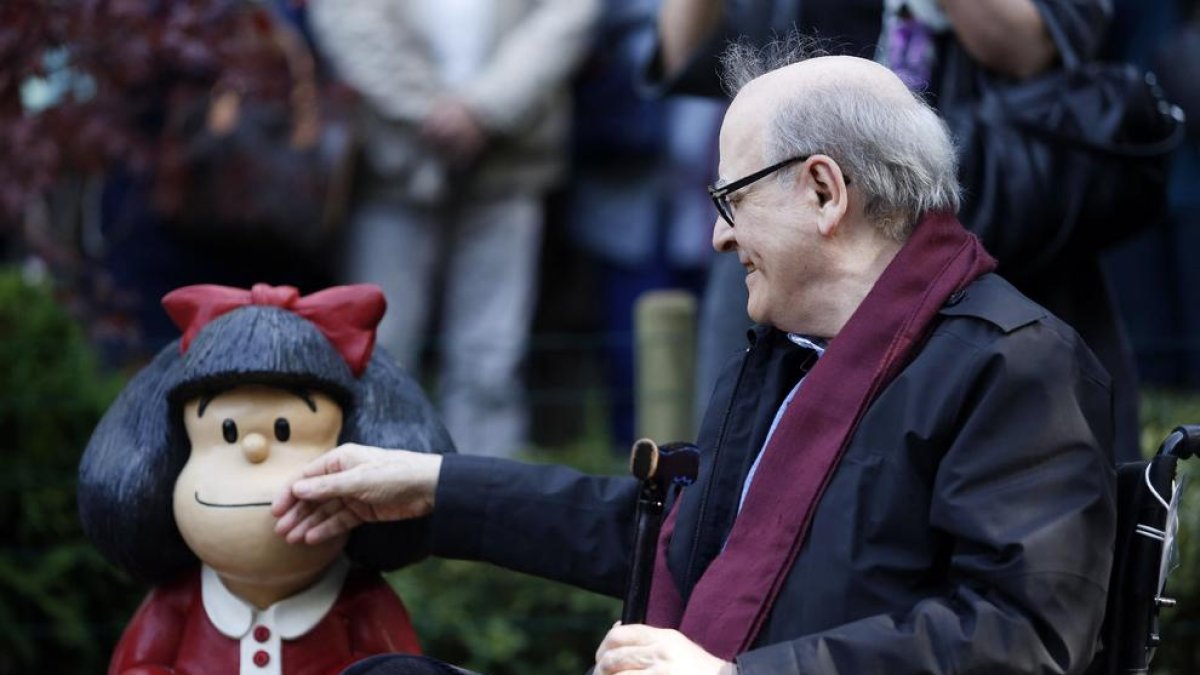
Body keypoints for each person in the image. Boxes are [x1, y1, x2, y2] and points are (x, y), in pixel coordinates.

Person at [274, 49, 1116, 674]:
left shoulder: (1017, 365)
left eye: (731, 198)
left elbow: (1022, 637)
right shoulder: (791, 356)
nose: (718, 235)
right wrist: (432, 485)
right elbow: (672, 541)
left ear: (824, 191)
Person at [651, 0, 1145, 464]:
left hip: (983, 256)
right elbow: (687, 55)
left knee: (987, 468)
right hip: (785, 266)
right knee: (746, 484)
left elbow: (1026, 47)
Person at [78, 283, 455, 673]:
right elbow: (136, 665)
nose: (255, 450)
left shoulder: (361, 599)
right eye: (227, 432)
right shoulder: (181, 599)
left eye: (284, 430)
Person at [306, 0, 600, 458]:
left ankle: (484, 501)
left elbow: (568, 15)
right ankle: (369, 493)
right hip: (392, 165)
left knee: (492, 357)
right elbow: (346, 18)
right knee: (381, 348)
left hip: (509, 161)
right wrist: (429, 109)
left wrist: (486, 108)